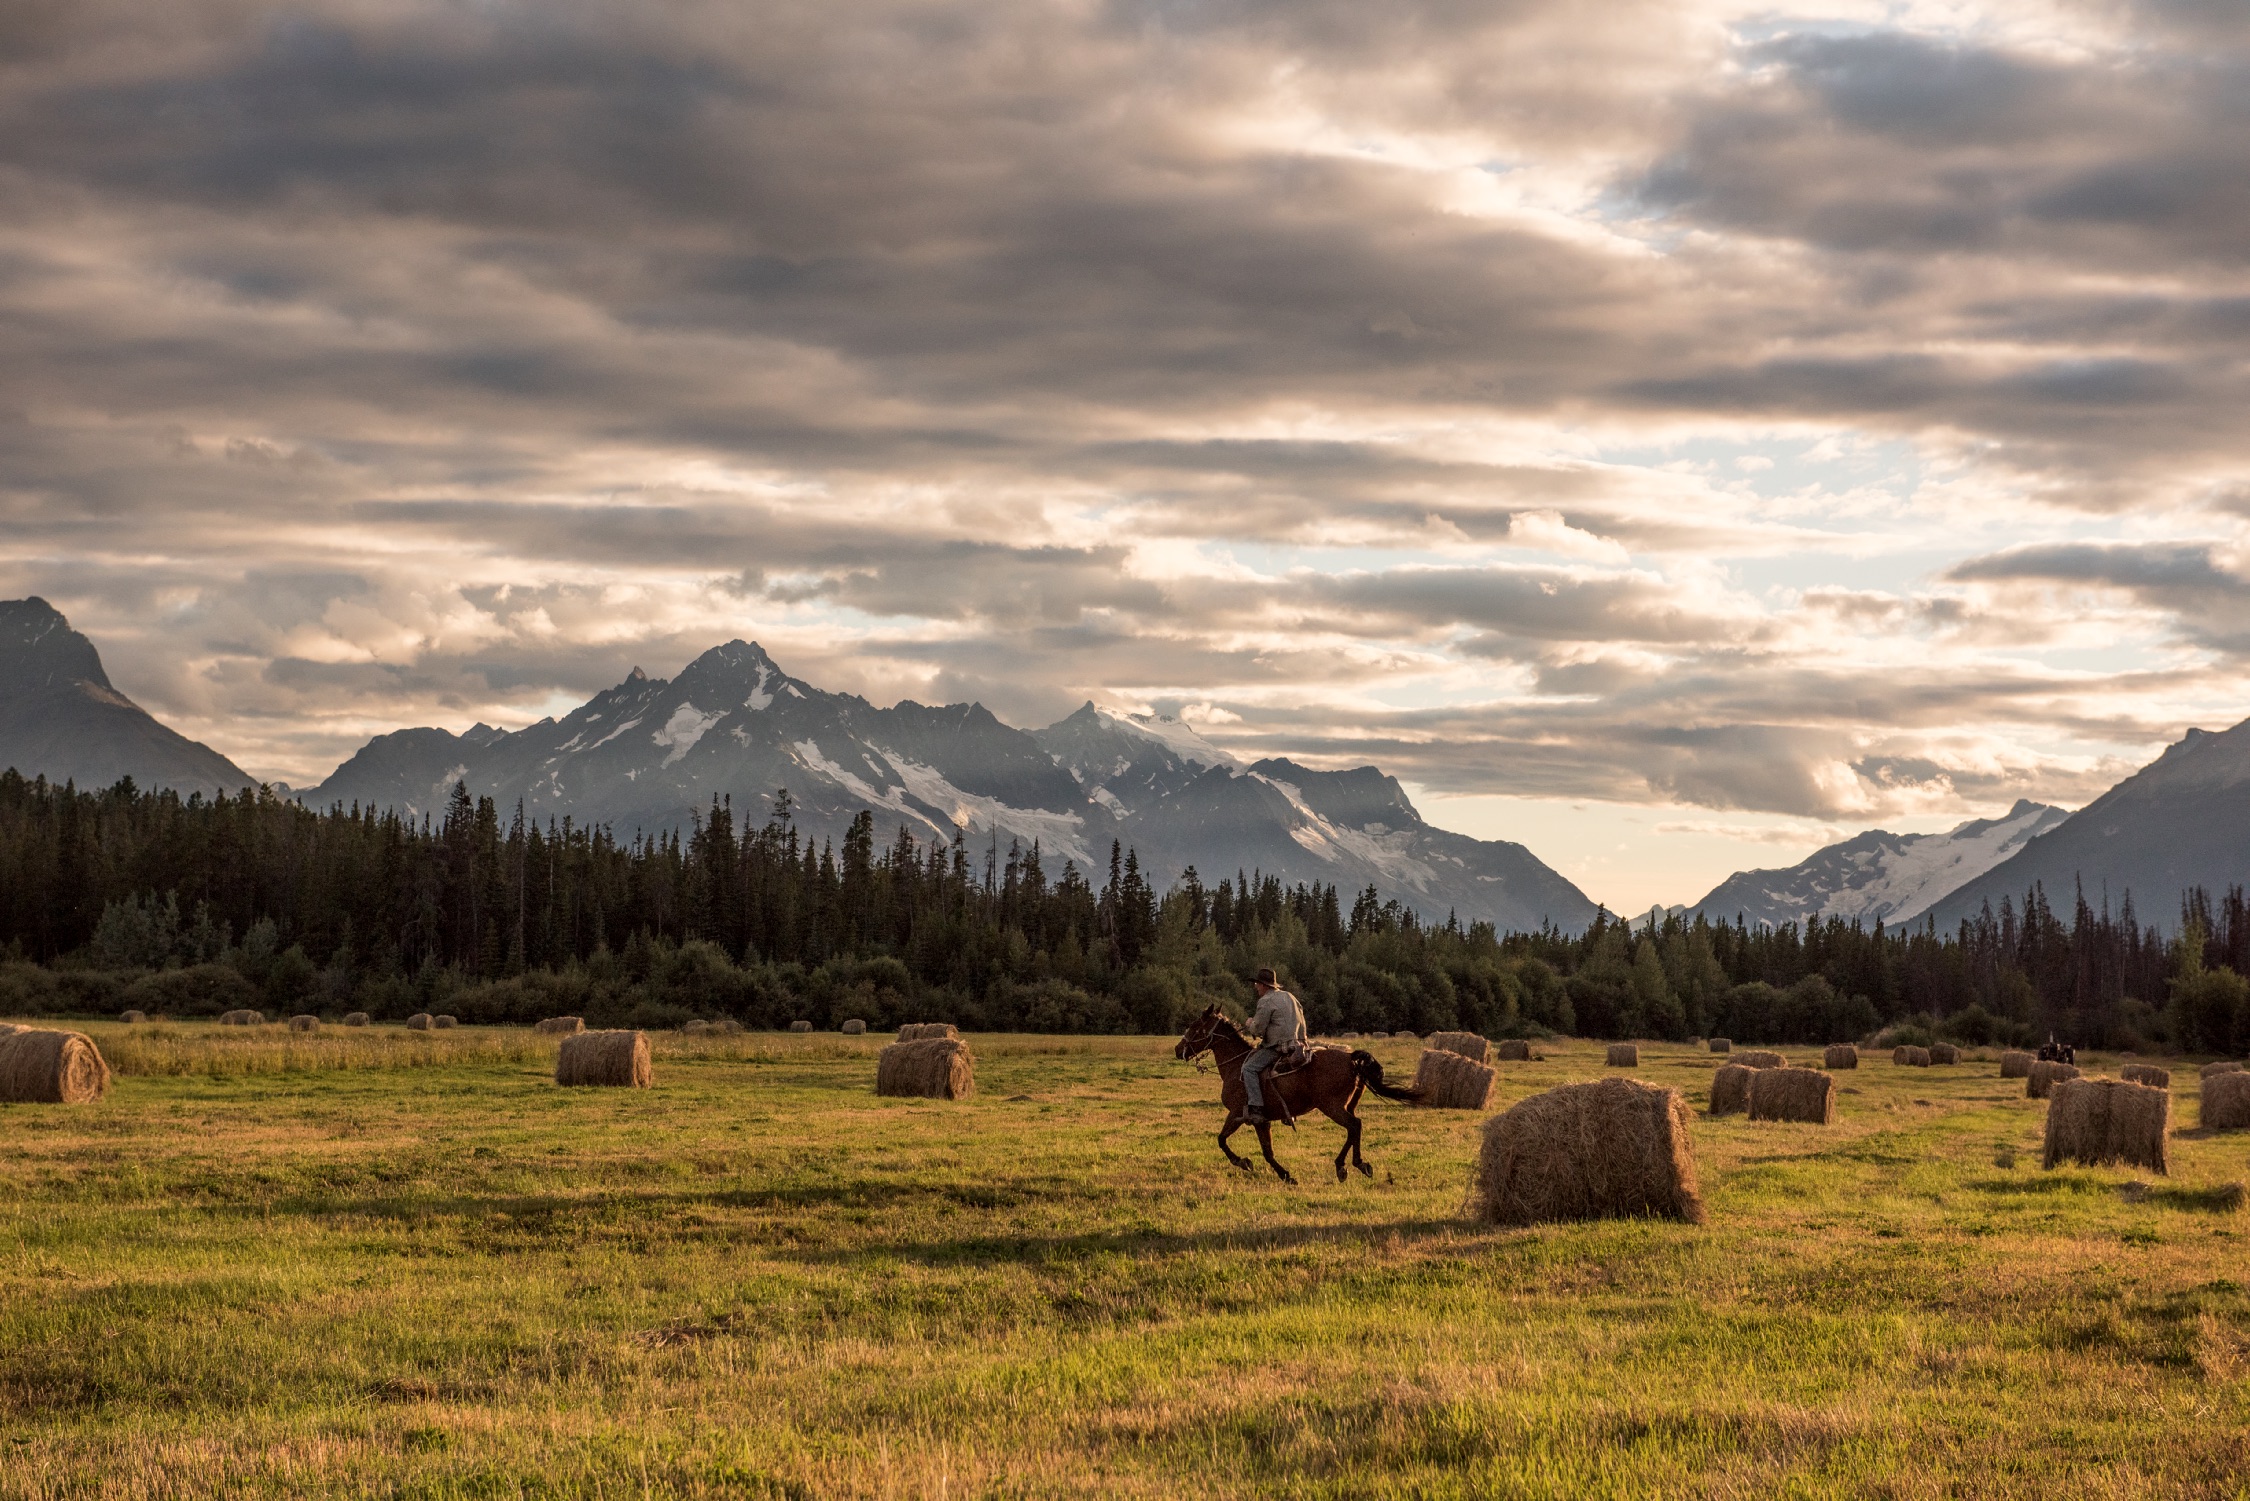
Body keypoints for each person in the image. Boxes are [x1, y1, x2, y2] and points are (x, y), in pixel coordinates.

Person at [1240, 967, 1305, 1126]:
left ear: (1264, 985)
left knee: (1249, 1069)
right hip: (1297, 1045)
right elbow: (1301, 1016)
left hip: (1278, 1047)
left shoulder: (1266, 1001)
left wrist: (1249, 1023)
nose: (1255, 987)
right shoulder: (1290, 996)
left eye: (1256, 983)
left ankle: (1256, 1108)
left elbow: (1257, 1029)